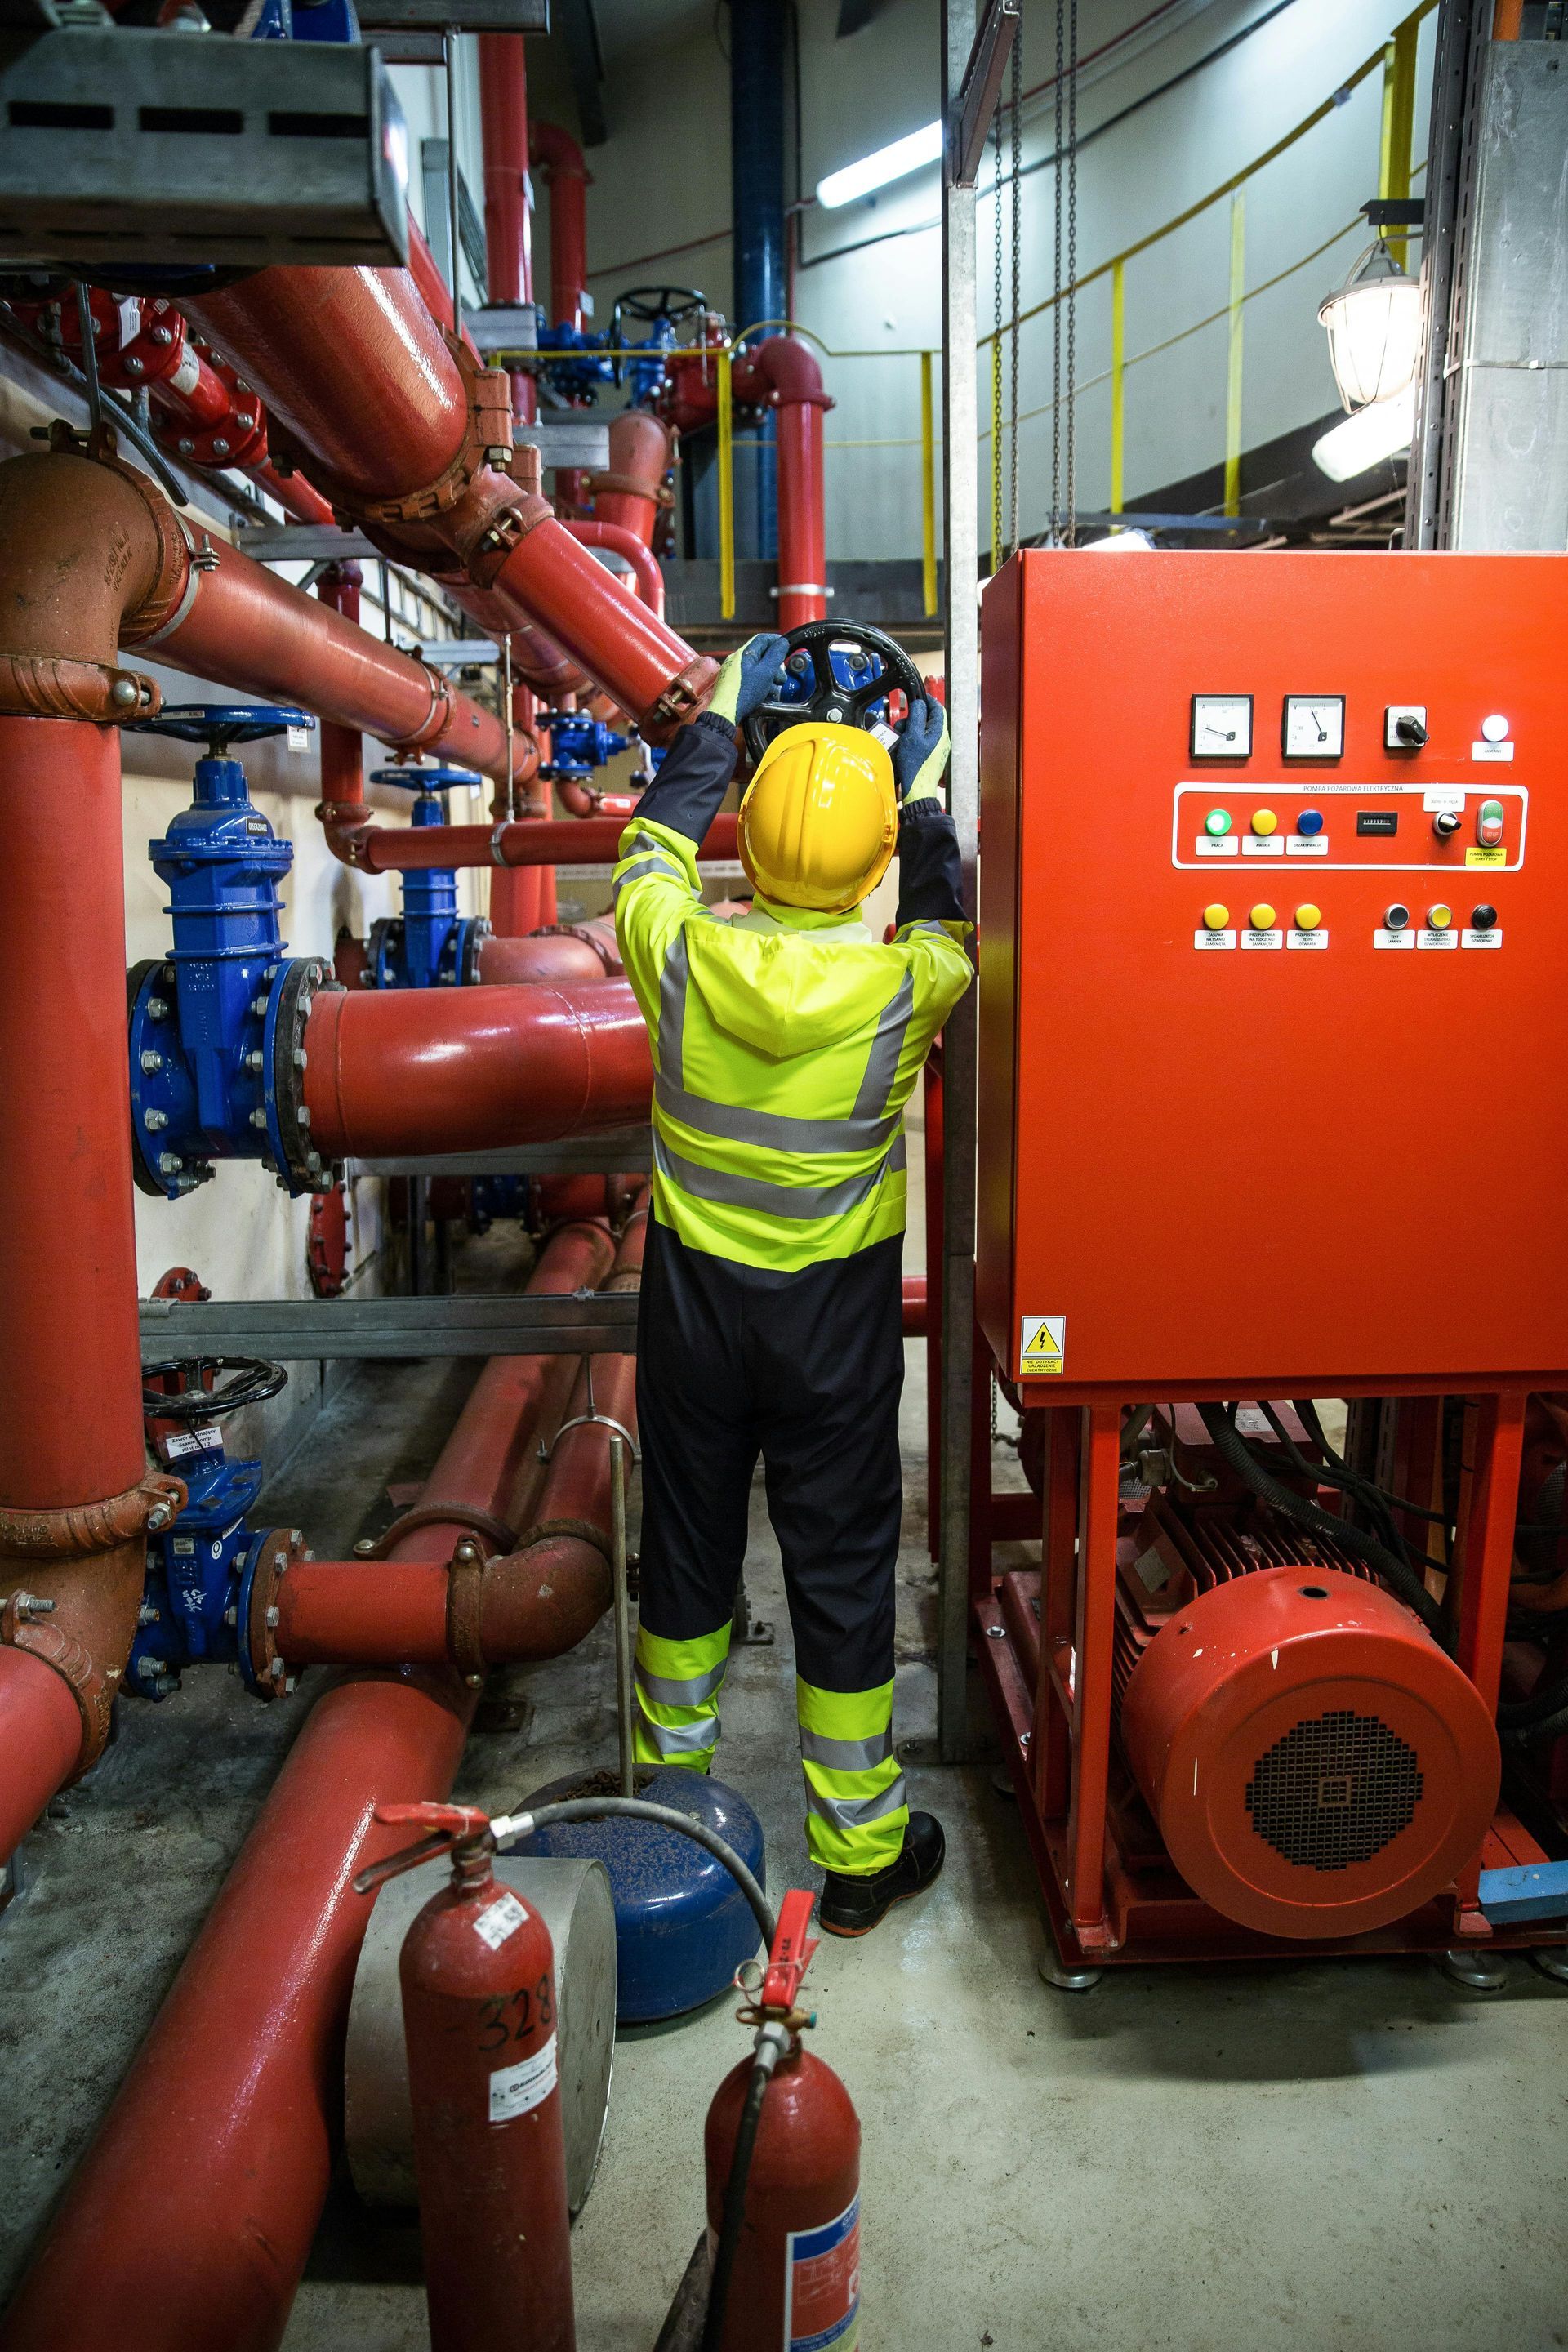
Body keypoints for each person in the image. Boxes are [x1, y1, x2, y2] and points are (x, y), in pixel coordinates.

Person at [612, 630, 973, 1936]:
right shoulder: (905, 990)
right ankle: (861, 1849)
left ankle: (674, 1810)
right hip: (833, 1332)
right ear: (873, 861)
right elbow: (946, 920)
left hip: (698, 1318)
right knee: (840, 1563)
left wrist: (714, 721)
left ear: (745, 843)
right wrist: (921, 795)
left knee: (690, 1552)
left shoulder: (679, 955)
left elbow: (647, 853)